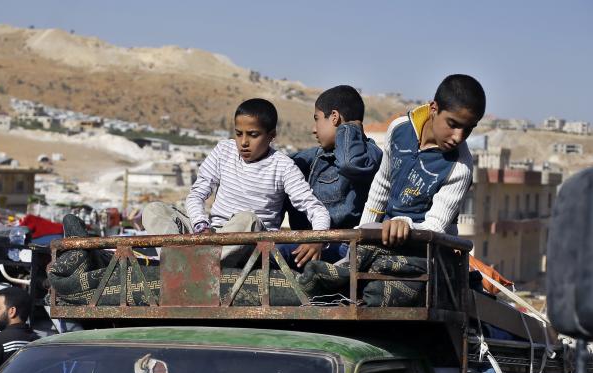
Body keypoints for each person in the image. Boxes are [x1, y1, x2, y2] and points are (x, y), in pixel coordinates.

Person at [143, 98, 330, 263]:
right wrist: (201, 226)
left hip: (249, 243)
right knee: (154, 210)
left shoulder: (283, 166)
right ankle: (178, 261)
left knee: (247, 219)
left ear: (271, 135)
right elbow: (196, 195)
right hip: (210, 235)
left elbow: (316, 209)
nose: (244, 142)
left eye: (253, 135)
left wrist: (317, 238)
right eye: (239, 133)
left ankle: (197, 264)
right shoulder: (223, 151)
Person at [358, 74, 486, 247]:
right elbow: (382, 186)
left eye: (468, 129)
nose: (459, 137)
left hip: (428, 252)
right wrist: (362, 234)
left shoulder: (461, 167)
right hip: (384, 235)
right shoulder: (398, 129)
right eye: (453, 124)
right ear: (434, 108)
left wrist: (404, 225)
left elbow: (435, 227)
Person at [282, 85, 383, 265]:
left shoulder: (371, 155)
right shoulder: (315, 156)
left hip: (342, 248)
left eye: (317, 119)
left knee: (271, 252)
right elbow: (277, 169)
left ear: (334, 117)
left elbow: (349, 163)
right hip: (307, 244)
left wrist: (349, 128)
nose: (314, 129)